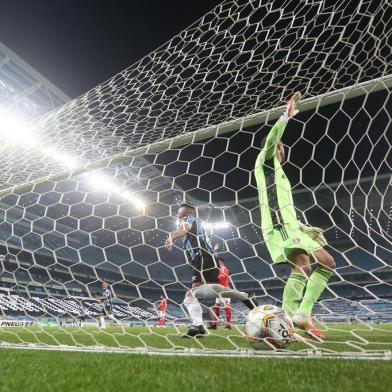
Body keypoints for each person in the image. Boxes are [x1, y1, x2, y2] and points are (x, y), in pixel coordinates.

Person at [254, 91, 335, 339]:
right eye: (279, 146)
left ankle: (297, 315)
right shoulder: (265, 162)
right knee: (313, 264)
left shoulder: (278, 173)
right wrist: (285, 117)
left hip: (288, 226)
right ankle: (291, 317)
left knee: (318, 264)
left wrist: (300, 225)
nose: (281, 149)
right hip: (278, 227)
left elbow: (282, 204)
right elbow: (270, 141)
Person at [165, 202, 256, 338]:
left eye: (179, 210)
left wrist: (170, 238)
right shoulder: (196, 224)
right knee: (200, 292)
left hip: (201, 257)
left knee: (191, 295)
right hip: (206, 257)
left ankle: (198, 325)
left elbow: (184, 229)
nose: (177, 212)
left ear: (185, 212)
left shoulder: (188, 220)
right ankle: (244, 297)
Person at [209, 256, 232, 330]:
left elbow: (221, 277)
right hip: (219, 290)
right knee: (216, 307)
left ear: (220, 262)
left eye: (217, 261)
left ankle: (228, 325)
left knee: (226, 307)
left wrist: (213, 279)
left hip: (225, 290)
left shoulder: (224, 269)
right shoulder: (218, 269)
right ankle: (214, 325)